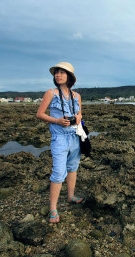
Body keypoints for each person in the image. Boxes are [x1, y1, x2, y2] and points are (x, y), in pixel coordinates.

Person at [36, 62, 84, 223]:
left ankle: (70, 196)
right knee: (57, 173)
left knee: (72, 168)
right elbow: (40, 114)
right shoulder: (51, 93)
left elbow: (80, 114)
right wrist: (57, 120)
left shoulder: (77, 96)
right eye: (56, 72)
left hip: (74, 137)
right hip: (59, 139)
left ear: (69, 77)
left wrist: (78, 118)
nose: (58, 75)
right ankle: (53, 209)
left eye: (62, 72)